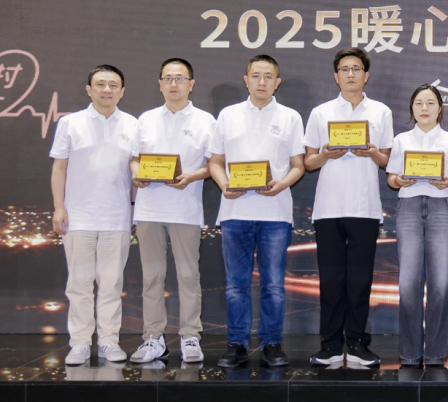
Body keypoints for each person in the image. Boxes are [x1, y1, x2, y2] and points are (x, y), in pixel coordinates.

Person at [208, 54, 305, 368]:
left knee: (273, 284)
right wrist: (224, 184)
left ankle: (272, 343)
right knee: (236, 284)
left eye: (268, 76)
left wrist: (282, 184)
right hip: (235, 211)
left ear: (277, 82)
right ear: (246, 80)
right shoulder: (228, 115)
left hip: (275, 213)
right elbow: (215, 162)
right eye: (256, 76)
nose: (262, 82)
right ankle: (236, 343)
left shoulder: (290, 117)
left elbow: (298, 165)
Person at [303, 47, 393, 367]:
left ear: (366, 76)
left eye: (356, 69)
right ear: (336, 76)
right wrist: (326, 154)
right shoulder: (321, 112)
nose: (351, 74)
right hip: (328, 207)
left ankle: (356, 343)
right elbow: (309, 162)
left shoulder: (381, 112)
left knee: (359, 279)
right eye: (345, 69)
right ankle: (329, 345)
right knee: (330, 279)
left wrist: (372, 153)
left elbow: (388, 160)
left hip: (365, 207)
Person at [51, 65, 140, 366]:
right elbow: (59, 168)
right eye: (100, 84)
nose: (107, 89)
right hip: (78, 218)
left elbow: (135, 170)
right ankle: (79, 343)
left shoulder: (132, 124)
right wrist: (59, 207)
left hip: (117, 218)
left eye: (113, 84)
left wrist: (133, 209)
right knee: (79, 284)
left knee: (112, 284)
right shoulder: (70, 123)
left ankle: (108, 341)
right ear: (89, 90)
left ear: (122, 91)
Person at [129, 58, 215, 364]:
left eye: (180, 78)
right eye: (168, 78)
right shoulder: (146, 119)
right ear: (160, 84)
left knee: (188, 275)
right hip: (149, 209)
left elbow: (214, 164)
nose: (174, 84)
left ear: (191, 84)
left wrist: (191, 176)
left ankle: (190, 335)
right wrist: (137, 174)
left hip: (185, 210)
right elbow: (134, 158)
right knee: (152, 276)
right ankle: (154, 337)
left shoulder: (206, 121)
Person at [386, 84, 448, 367]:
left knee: (441, 283)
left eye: (430, 103)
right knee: (408, 283)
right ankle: (409, 352)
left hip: (441, 208)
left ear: (440, 108)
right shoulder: (401, 140)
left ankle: (435, 353)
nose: (425, 108)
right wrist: (399, 180)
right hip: (408, 209)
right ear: (412, 108)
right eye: (419, 103)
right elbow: (391, 177)